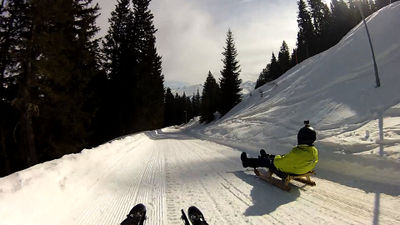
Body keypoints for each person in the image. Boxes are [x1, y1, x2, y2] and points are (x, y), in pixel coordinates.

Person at [241, 121, 318, 175]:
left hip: (289, 170)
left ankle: (246, 162)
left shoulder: (297, 152)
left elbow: (280, 163)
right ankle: (267, 156)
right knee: (281, 157)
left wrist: (274, 159)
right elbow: (289, 159)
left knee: (265, 161)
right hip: (303, 169)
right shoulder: (314, 151)